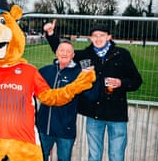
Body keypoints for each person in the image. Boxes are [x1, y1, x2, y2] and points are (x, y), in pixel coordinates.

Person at [44, 21, 142, 161]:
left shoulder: (122, 54)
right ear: (90, 38)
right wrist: (51, 34)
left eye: (101, 35)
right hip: (94, 115)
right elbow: (62, 52)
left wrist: (122, 83)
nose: (98, 38)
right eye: (94, 36)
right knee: (94, 155)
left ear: (109, 37)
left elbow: (136, 80)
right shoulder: (86, 55)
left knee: (116, 156)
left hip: (117, 115)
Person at [37, 41, 99, 161]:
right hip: (44, 128)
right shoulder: (45, 71)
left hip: (65, 130)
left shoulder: (79, 74)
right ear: (56, 53)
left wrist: (91, 78)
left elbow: (92, 96)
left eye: (68, 51)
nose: (64, 53)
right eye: (62, 50)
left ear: (73, 55)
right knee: (39, 157)